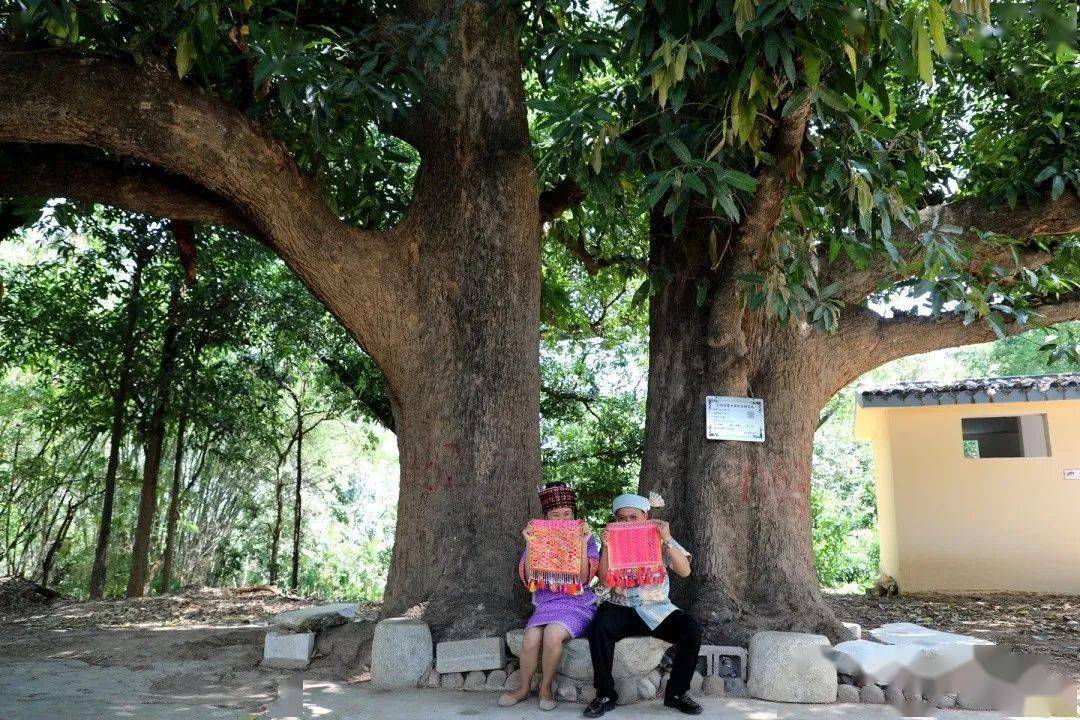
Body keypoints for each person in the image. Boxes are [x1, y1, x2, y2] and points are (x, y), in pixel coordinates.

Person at [582, 493, 703, 718]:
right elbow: (606, 581)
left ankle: (676, 694)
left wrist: (667, 539)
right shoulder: (612, 541)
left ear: (645, 516)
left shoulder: (659, 537)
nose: (627, 522)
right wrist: (607, 547)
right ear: (615, 520)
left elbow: (685, 571)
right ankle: (605, 695)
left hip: (656, 608)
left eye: (633, 517)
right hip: (621, 606)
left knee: (692, 628)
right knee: (598, 628)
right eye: (622, 518)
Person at [499, 482, 599, 711]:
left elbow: (584, 578)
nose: (562, 519)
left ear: (574, 514)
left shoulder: (585, 536)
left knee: (553, 635)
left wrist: (582, 545)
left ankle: (545, 688)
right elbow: (530, 578)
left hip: (577, 605)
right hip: (546, 604)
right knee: (531, 637)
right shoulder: (538, 537)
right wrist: (530, 543)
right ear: (545, 516)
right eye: (556, 514)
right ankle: (523, 689)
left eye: (567, 514)